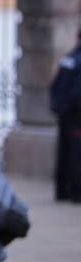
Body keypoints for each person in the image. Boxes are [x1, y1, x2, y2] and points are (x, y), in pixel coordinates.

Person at [50, 27, 81, 203]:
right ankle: (76, 192)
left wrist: (58, 106)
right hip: (76, 114)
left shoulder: (68, 58)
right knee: (76, 153)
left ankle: (62, 190)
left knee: (64, 151)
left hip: (64, 112)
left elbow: (55, 85)